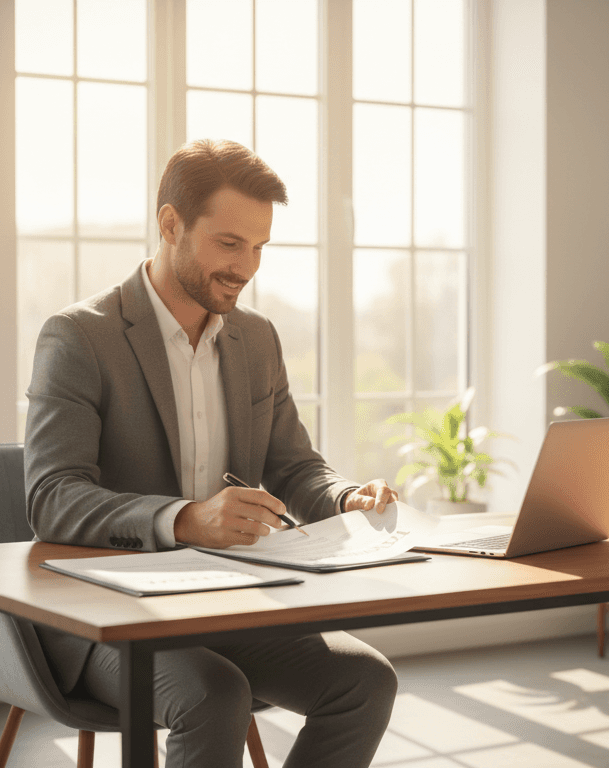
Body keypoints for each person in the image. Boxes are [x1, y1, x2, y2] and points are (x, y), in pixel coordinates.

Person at [24, 138, 400, 767]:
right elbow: (51, 498)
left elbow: (293, 465)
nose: (246, 267)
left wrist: (344, 499)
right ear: (170, 224)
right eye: (229, 243)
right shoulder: (79, 337)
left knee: (365, 682)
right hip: (101, 618)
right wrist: (186, 519)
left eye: (259, 247)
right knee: (214, 695)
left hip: (225, 603)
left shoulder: (256, 338)